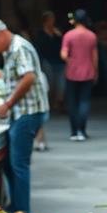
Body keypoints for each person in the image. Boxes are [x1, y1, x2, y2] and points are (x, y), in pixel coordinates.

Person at [0, 19, 48, 213]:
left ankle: (22, 212)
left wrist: (8, 103)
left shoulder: (19, 48)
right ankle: (16, 205)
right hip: (20, 113)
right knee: (10, 163)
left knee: (19, 164)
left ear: (0, 35)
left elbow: (29, 76)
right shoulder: (10, 49)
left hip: (27, 113)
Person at [60, 9, 98, 141]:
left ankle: (73, 132)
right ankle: (82, 131)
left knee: (72, 102)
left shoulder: (69, 35)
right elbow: (94, 56)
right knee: (84, 101)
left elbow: (63, 54)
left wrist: (70, 60)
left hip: (72, 72)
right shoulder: (92, 36)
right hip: (88, 72)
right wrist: (96, 71)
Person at [32, 11, 64, 151]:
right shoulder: (40, 34)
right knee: (49, 86)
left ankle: (57, 103)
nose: (52, 22)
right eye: (50, 20)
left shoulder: (57, 33)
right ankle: (50, 105)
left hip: (58, 62)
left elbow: (63, 46)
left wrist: (58, 35)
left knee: (60, 85)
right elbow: (39, 49)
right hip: (46, 63)